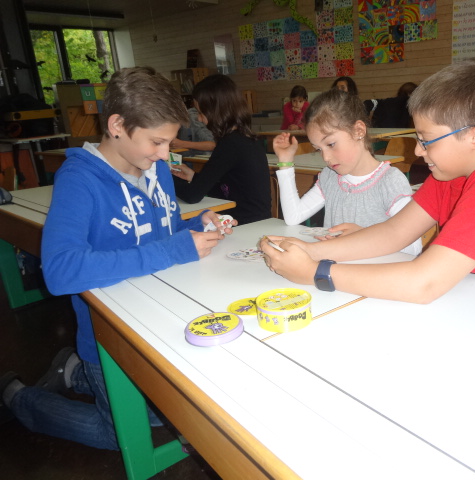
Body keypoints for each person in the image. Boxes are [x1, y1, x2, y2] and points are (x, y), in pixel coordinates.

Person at [0, 66, 235, 449]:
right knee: (124, 436)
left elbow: (157, 231)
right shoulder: (79, 180)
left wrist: (193, 226)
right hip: (108, 337)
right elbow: (60, 271)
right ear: (117, 125)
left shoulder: (154, 167)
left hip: (159, 323)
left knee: (166, 415)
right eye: (157, 142)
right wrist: (174, 249)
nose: (165, 154)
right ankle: (19, 397)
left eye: (169, 142)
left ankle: (75, 373)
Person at [261, 58, 475, 306]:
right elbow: (393, 233)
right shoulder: (453, 170)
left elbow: (423, 283)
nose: (419, 151)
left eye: (426, 139)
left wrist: (316, 272)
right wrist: (309, 249)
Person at [273, 89, 421, 256]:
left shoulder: (390, 181)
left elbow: (413, 247)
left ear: (358, 131)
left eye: (331, 144)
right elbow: (294, 217)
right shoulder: (331, 177)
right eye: (318, 149)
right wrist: (285, 162)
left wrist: (363, 236)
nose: (326, 157)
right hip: (336, 266)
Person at [172, 74, 272, 224]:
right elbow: (224, 190)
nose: (199, 118)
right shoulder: (244, 138)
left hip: (245, 223)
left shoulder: (230, 144)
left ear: (215, 111)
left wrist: (165, 177)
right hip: (256, 220)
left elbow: (192, 195)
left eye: (201, 112)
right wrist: (194, 177)